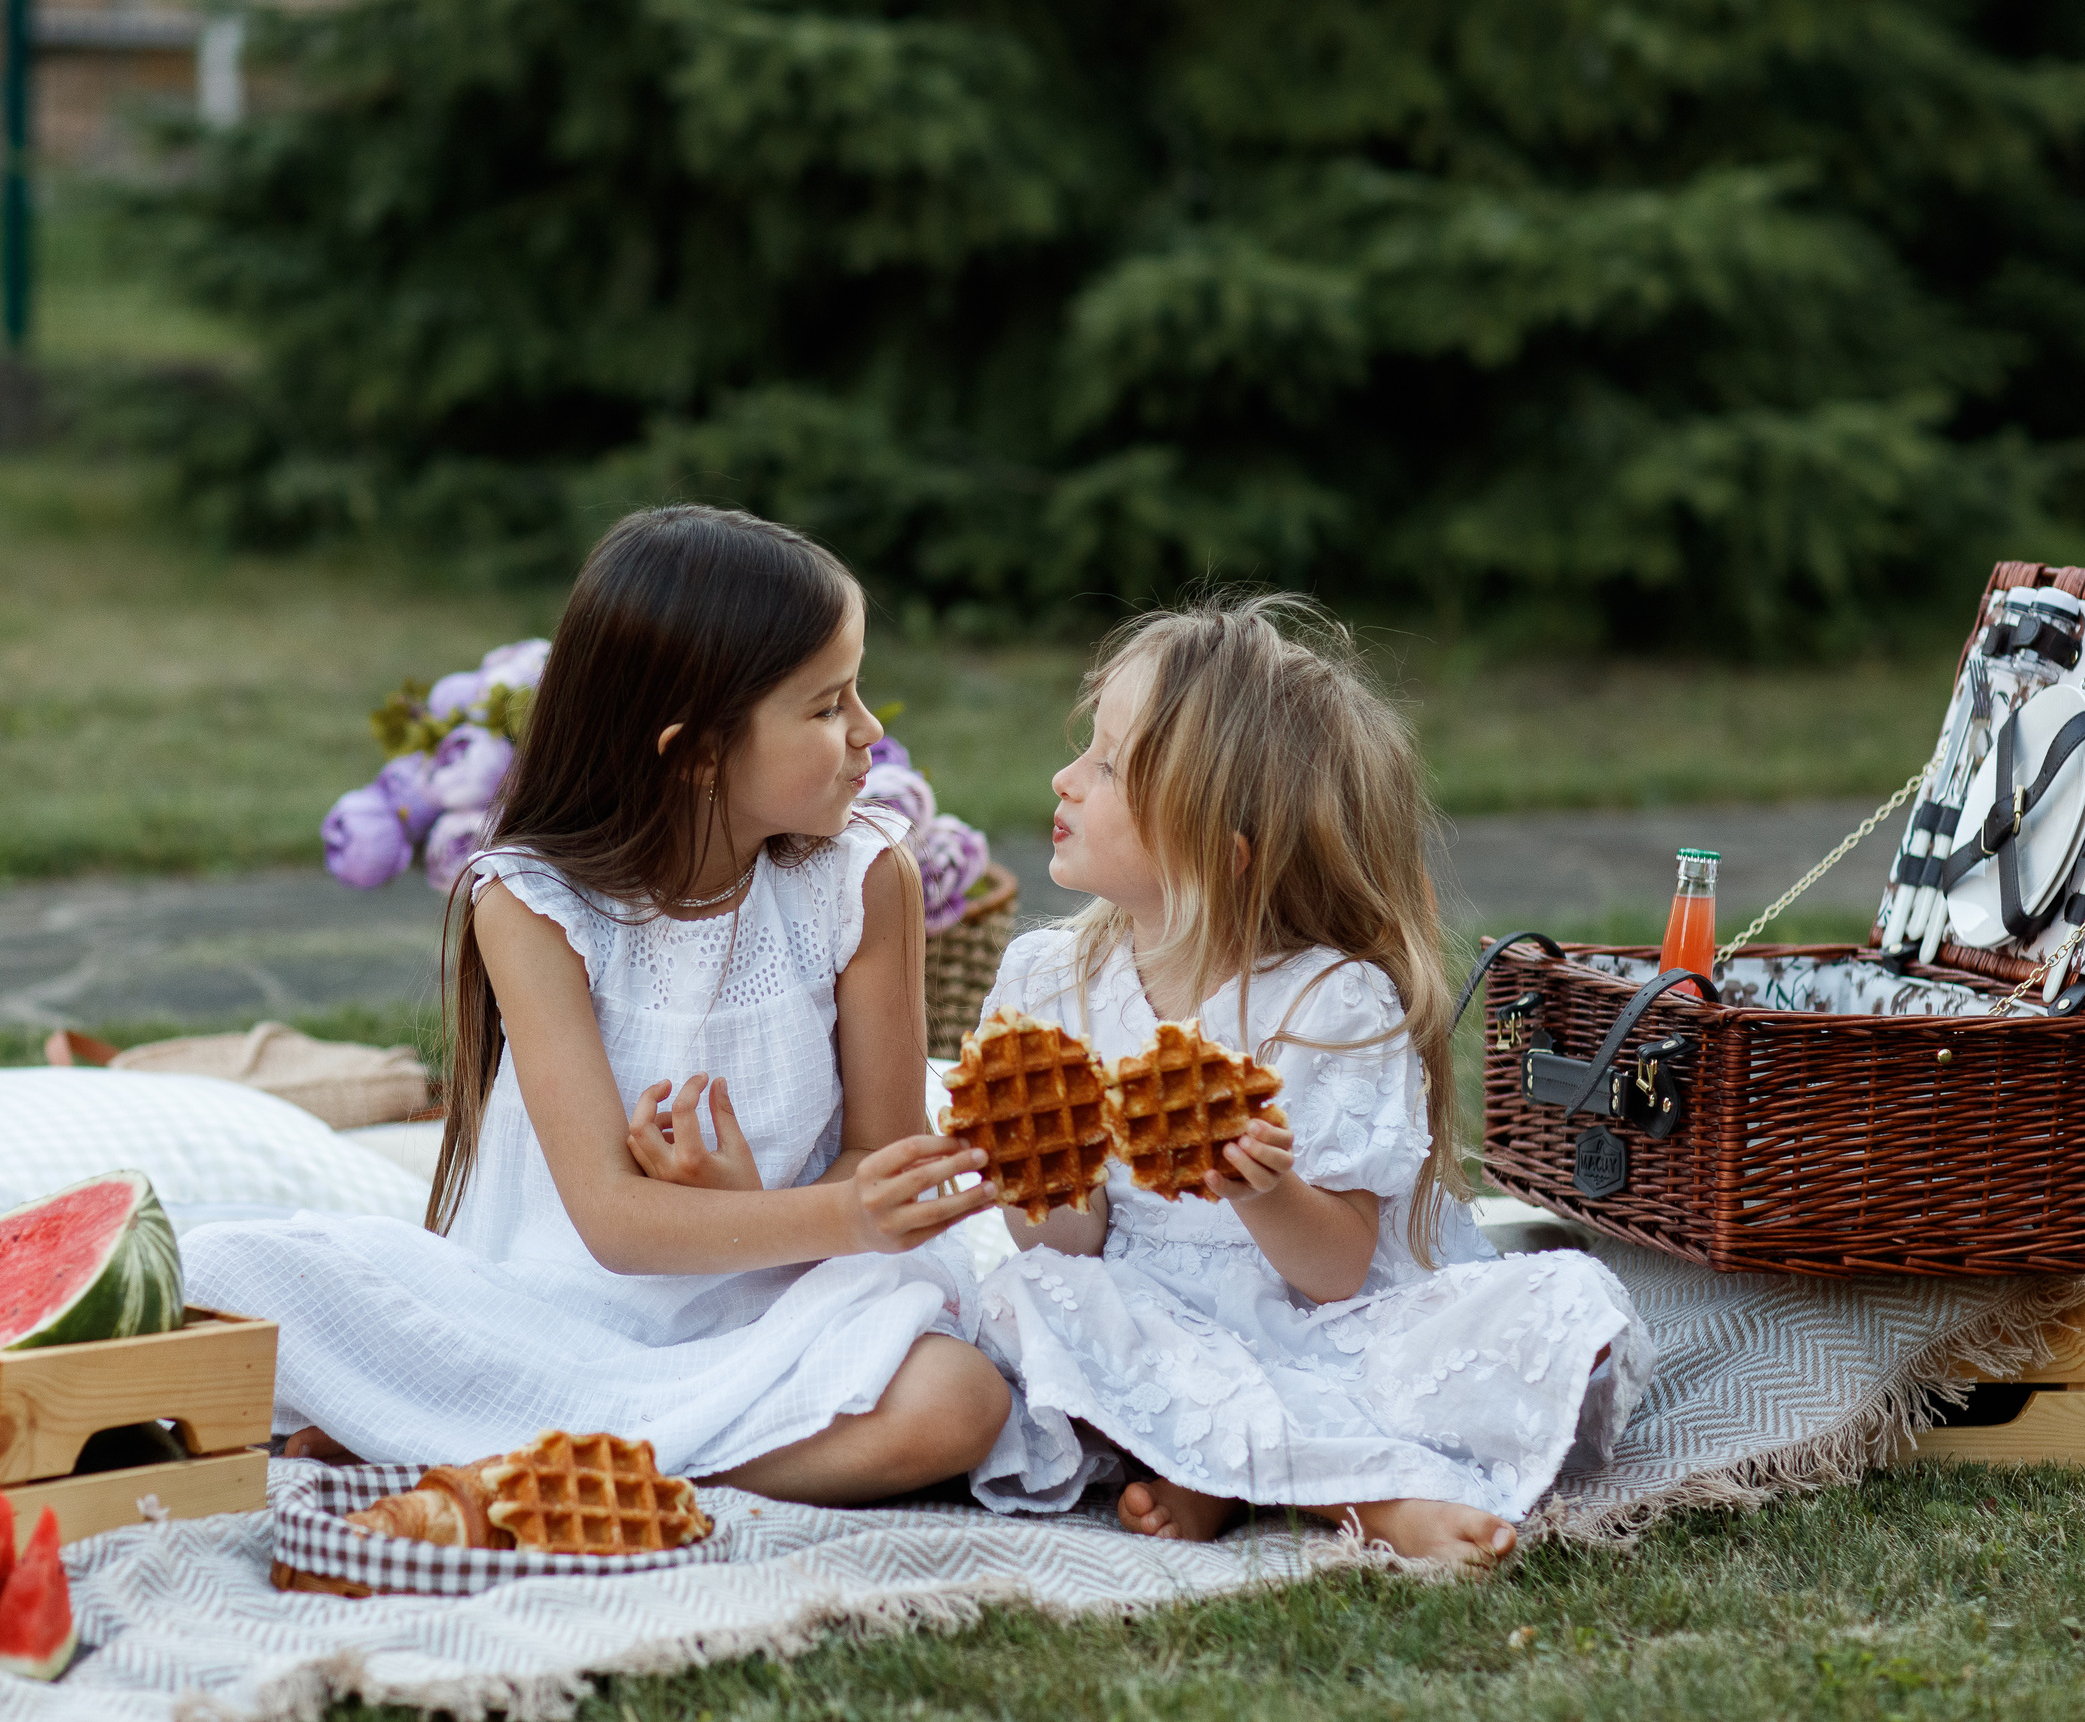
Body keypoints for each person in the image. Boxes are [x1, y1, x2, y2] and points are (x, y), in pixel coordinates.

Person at [181, 505, 1010, 1504]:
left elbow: (881, 1158)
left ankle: (526, 1457)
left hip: (780, 1306)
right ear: (696, 750)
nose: (870, 732)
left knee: (957, 1402)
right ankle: (586, 1446)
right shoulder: (532, 905)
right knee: (221, 1264)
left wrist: (760, 1207)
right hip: (549, 1315)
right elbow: (612, 1222)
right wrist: (838, 1211)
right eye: (829, 705)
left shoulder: (867, 879)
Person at [964, 594, 1649, 1567]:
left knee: (1561, 1314)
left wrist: (1264, 1188)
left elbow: (1331, 1278)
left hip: (1330, 1328)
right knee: (1029, 1300)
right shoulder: (1045, 981)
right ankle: (1346, 1489)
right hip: (1156, 1320)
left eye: (1108, 766)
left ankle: (1262, 1480)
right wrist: (1034, 1171)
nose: (1063, 779)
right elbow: (1066, 1245)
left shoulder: (1331, 1005)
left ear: (1220, 850)